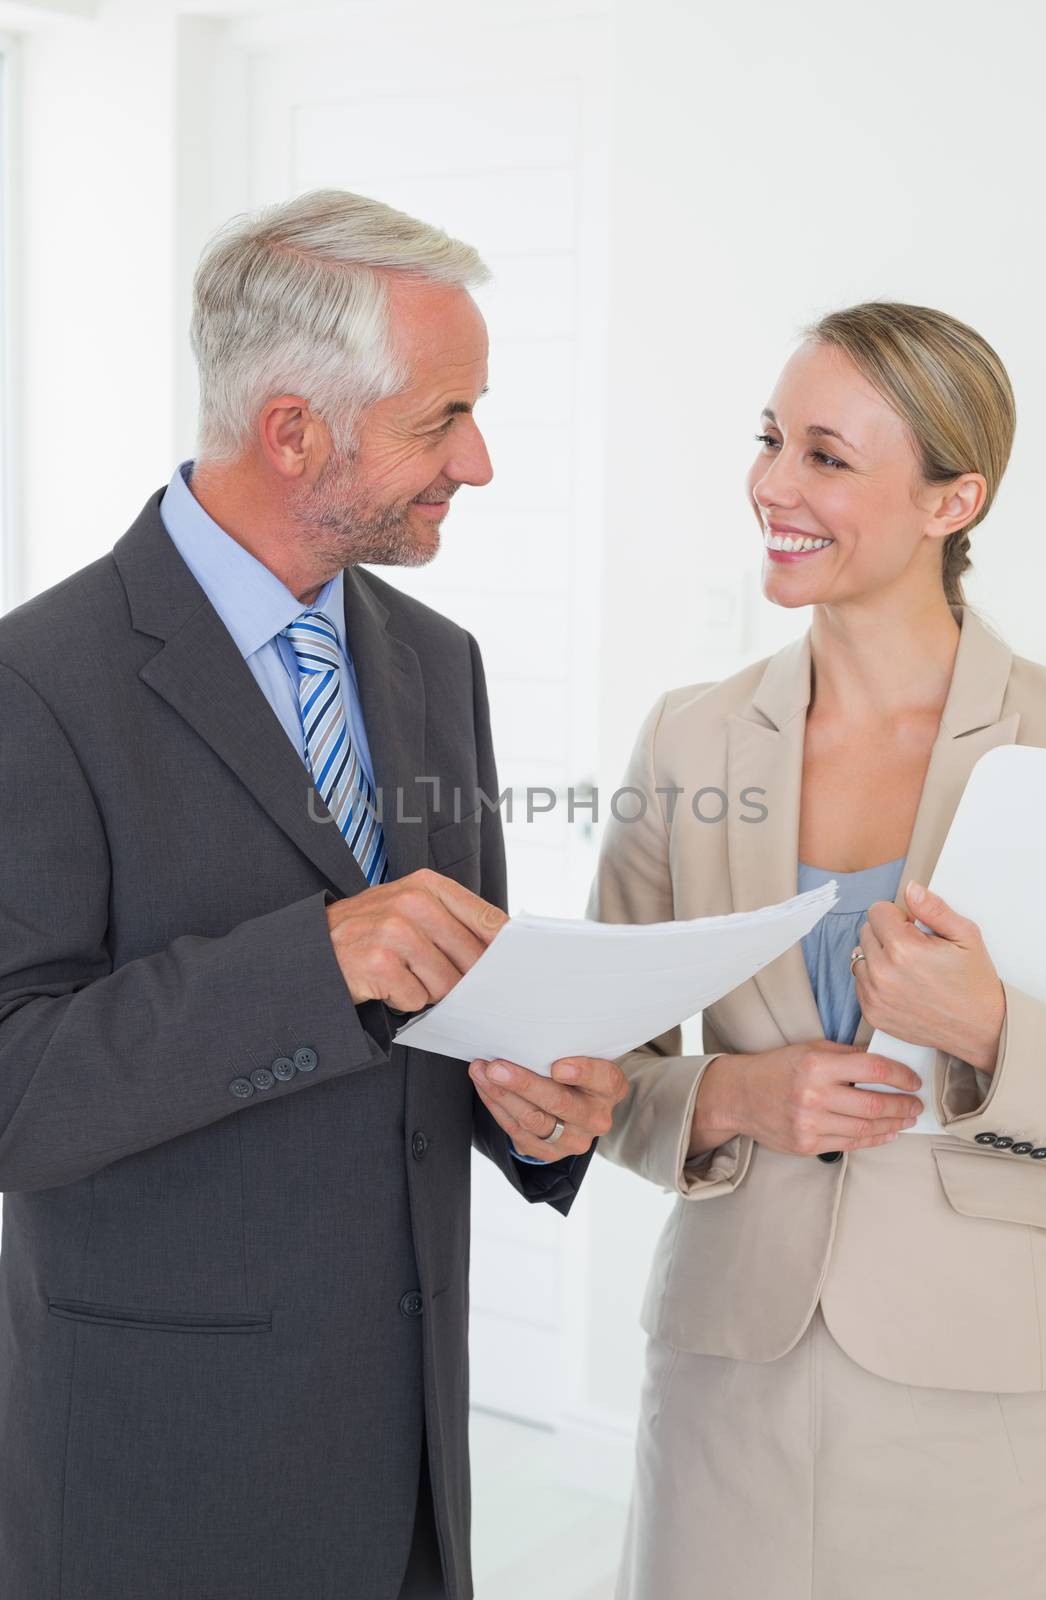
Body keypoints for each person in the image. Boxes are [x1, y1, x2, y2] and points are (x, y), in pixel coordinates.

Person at [0, 189, 626, 1600]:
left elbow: (454, 1002)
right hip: (159, 1482)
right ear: (293, 432)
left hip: (406, 1469)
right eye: (440, 418)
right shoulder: (35, 685)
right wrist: (314, 962)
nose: (477, 459)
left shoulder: (437, 659)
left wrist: (535, 1108)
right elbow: (14, 1089)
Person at [589, 301, 1046, 1599]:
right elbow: (593, 1062)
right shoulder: (689, 739)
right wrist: (729, 1096)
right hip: (723, 1376)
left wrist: (992, 1036)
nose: (770, 485)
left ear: (951, 501)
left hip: (989, 1396)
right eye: (769, 440)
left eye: (826, 456)